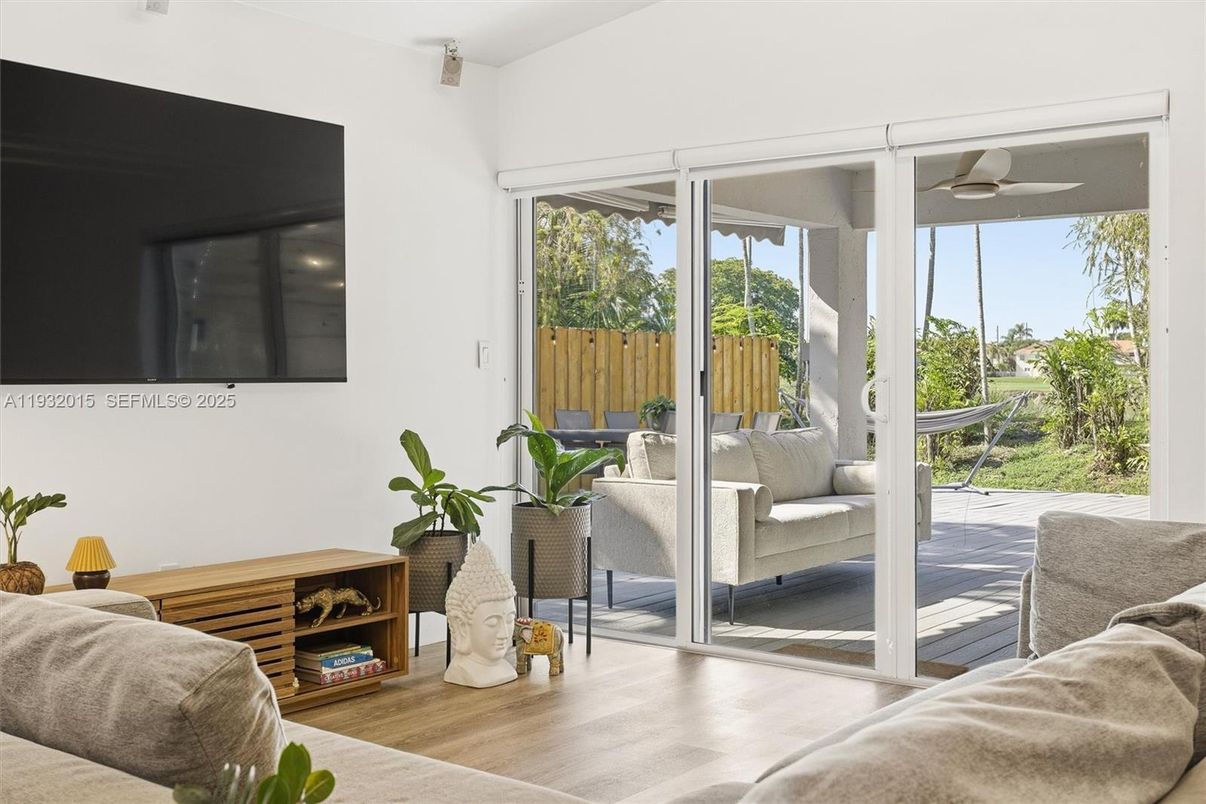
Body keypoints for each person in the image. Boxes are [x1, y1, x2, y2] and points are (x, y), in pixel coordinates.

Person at [443, 542, 518, 688]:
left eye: (510, 619)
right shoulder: (461, 671)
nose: (504, 633)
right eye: (492, 622)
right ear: (461, 625)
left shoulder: (507, 667)